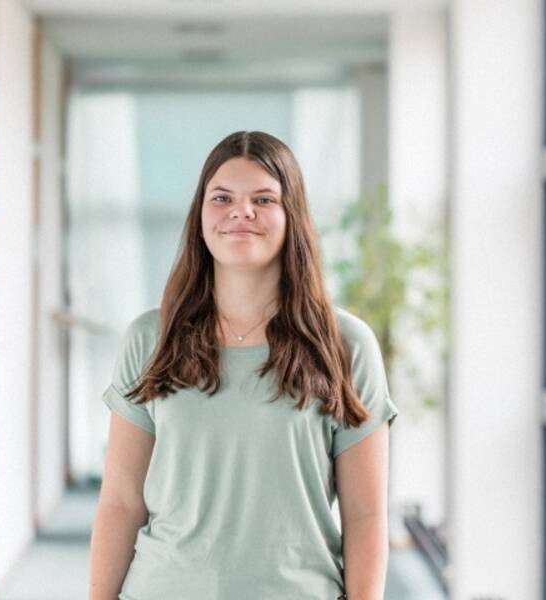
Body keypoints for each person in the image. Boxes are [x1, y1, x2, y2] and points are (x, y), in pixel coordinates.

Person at [89, 131, 399, 600]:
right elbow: (120, 504)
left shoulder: (346, 345)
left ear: (292, 216)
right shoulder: (150, 339)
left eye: (264, 198)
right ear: (200, 217)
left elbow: (366, 516)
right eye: (222, 197)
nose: (241, 211)